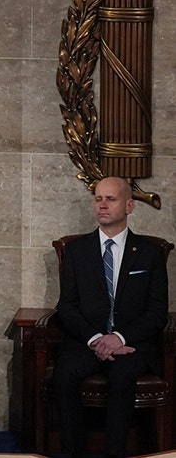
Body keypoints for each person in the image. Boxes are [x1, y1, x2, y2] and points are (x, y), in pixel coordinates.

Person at [53, 176, 169, 458]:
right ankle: (73, 452)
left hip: (133, 343)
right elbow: (66, 307)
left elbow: (157, 312)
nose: (102, 205)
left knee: (122, 374)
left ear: (129, 205)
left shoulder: (151, 253)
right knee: (64, 374)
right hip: (87, 341)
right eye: (98, 199)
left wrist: (118, 338)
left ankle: (114, 454)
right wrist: (96, 339)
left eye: (110, 199)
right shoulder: (77, 251)